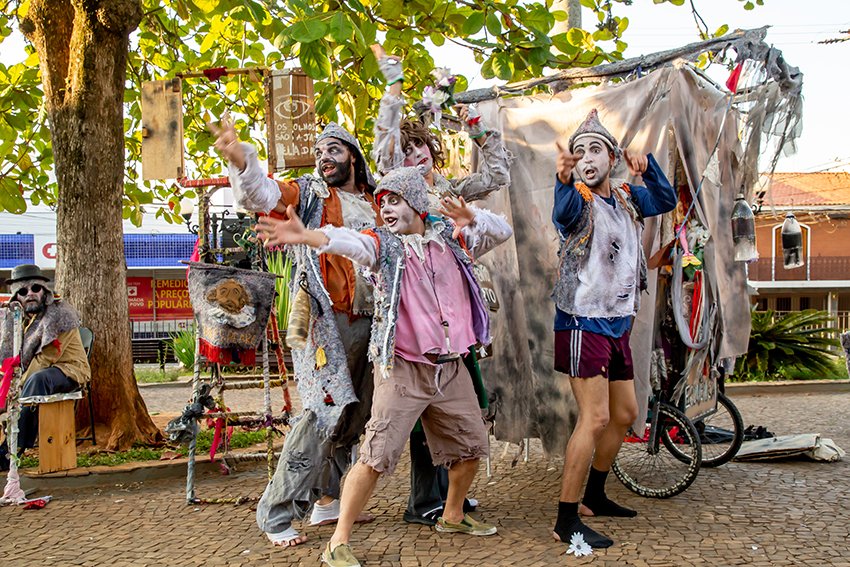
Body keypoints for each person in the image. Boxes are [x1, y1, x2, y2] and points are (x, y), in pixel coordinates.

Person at [256, 167, 513, 567]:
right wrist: (310, 237)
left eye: (395, 200)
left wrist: (472, 217)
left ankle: (452, 514)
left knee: (471, 447)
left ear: (417, 202)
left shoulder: (451, 238)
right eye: (383, 203)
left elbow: (502, 231)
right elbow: (350, 242)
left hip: (450, 367)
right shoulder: (383, 246)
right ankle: (338, 541)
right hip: (403, 368)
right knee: (375, 457)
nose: (387, 209)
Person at [213, 118, 379, 548]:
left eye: (334, 150)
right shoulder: (310, 193)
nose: (325, 158)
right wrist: (243, 163)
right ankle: (275, 512)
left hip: (373, 321)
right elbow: (264, 194)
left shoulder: (377, 199)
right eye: (319, 152)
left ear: (353, 156)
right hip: (326, 321)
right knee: (321, 413)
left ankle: (327, 499)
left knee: (355, 415)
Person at [370, 43, 512, 525]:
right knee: (415, 414)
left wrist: (472, 123)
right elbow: (384, 142)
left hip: (454, 312)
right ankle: (424, 500)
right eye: (407, 151)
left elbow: (497, 172)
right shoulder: (396, 195)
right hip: (409, 315)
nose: (416, 157)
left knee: (457, 404)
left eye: (422, 149)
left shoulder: (450, 193)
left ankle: (450, 496)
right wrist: (393, 85)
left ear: (433, 151)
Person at [550, 110, 677, 548]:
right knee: (595, 417)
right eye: (579, 151)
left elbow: (664, 200)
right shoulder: (576, 199)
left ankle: (594, 496)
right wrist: (562, 179)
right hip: (582, 322)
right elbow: (562, 213)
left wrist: (649, 167)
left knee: (624, 414)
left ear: (613, 158)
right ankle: (566, 519)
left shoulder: (625, 197)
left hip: (617, 323)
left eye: (595, 150)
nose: (587, 158)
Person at [0, 264, 91, 471]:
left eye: (35, 289)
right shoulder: (17, 318)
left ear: (44, 291)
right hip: (33, 373)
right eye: (23, 291)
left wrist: (17, 386)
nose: (30, 294)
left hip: (68, 370)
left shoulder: (61, 314)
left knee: (38, 379)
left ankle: (14, 449)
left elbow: (46, 358)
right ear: (16, 297)